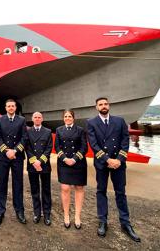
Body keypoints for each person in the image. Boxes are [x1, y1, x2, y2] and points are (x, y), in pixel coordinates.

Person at [87, 97, 141, 242]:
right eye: (100, 104)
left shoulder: (119, 121)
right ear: (96, 107)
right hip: (102, 163)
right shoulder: (91, 123)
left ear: (109, 105)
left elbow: (125, 141)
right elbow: (93, 144)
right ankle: (103, 221)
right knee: (101, 191)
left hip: (118, 163)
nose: (103, 106)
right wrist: (107, 159)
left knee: (120, 193)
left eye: (105, 104)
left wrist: (119, 160)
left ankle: (125, 223)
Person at [0, 99, 27, 226]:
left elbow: (24, 137)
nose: (11, 108)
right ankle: (1, 211)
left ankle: (19, 211)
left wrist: (15, 151)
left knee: (18, 184)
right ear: (5, 107)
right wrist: (6, 150)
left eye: (13, 106)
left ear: (15, 107)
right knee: (2, 184)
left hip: (17, 156)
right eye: (9, 106)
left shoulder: (21, 120)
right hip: (4, 156)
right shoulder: (0, 120)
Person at [55, 109, 87, 229]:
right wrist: (64, 158)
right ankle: (66, 215)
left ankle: (77, 216)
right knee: (65, 188)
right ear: (63, 118)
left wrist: (74, 159)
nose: (67, 118)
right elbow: (57, 147)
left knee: (79, 188)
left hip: (78, 162)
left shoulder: (80, 130)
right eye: (65, 116)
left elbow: (84, 147)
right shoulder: (59, 130)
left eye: (69, 116)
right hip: (63, 162)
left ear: (73, 118)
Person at [25, 112, 52, 226]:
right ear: (32, 119)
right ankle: (36, 213)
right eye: (35, 117)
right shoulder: (27, 131)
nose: (37, 119)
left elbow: (49, 147)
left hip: (44, 165)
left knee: (46, 190)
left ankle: (46, 214)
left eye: (39, 117)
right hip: (32, 165)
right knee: (34, 190)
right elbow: (27, 147)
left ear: (42, 119)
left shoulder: (48, 131)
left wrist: (40, 161)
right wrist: (34, 162)